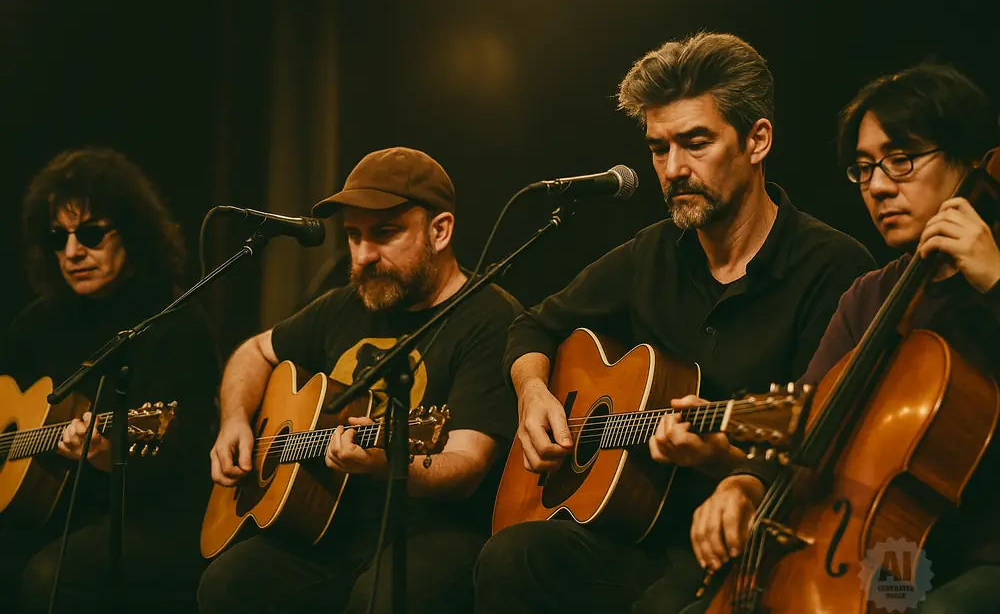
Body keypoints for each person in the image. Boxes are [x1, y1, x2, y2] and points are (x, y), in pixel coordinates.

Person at [473, 31, 876, 614]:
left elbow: (826, 436)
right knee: (511, 557)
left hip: (751, 538)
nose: (673, 168)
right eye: (658, 149)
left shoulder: (832, 267)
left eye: (695, 143)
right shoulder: (651, 253)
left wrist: (728, 464)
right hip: (636, 528)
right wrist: (534, 393)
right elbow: (532, 326)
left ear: (757, 139)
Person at [689, 62, 1000, 614]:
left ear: (970, 161)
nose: (878, 186)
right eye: (863, 169)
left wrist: (996, 283)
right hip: (899, 549)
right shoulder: (870, 297)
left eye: (901, 160)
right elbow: (807, 414)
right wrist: (745, 483)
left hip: (985, 553)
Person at [196, 147, 522, 614]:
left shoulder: (489, 318)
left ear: (440, 230)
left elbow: (466, 466)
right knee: (229, 583)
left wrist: (388, 463)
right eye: (353, 236)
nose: (364, 255)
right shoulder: (344, 306)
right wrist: (234, 422)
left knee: (381, 601)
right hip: (329, 527)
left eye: (385, 234)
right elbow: (253, 352)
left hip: (434, 534)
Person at [0, 148, 222, 614]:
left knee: (50, 575)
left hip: (150, 519)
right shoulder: (39, 322)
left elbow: (184, 455)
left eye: (92, 233)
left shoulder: (177, 322)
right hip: (50, 514)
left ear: (133, 233)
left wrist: (109, 455)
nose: (73, 252)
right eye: (59, 238)